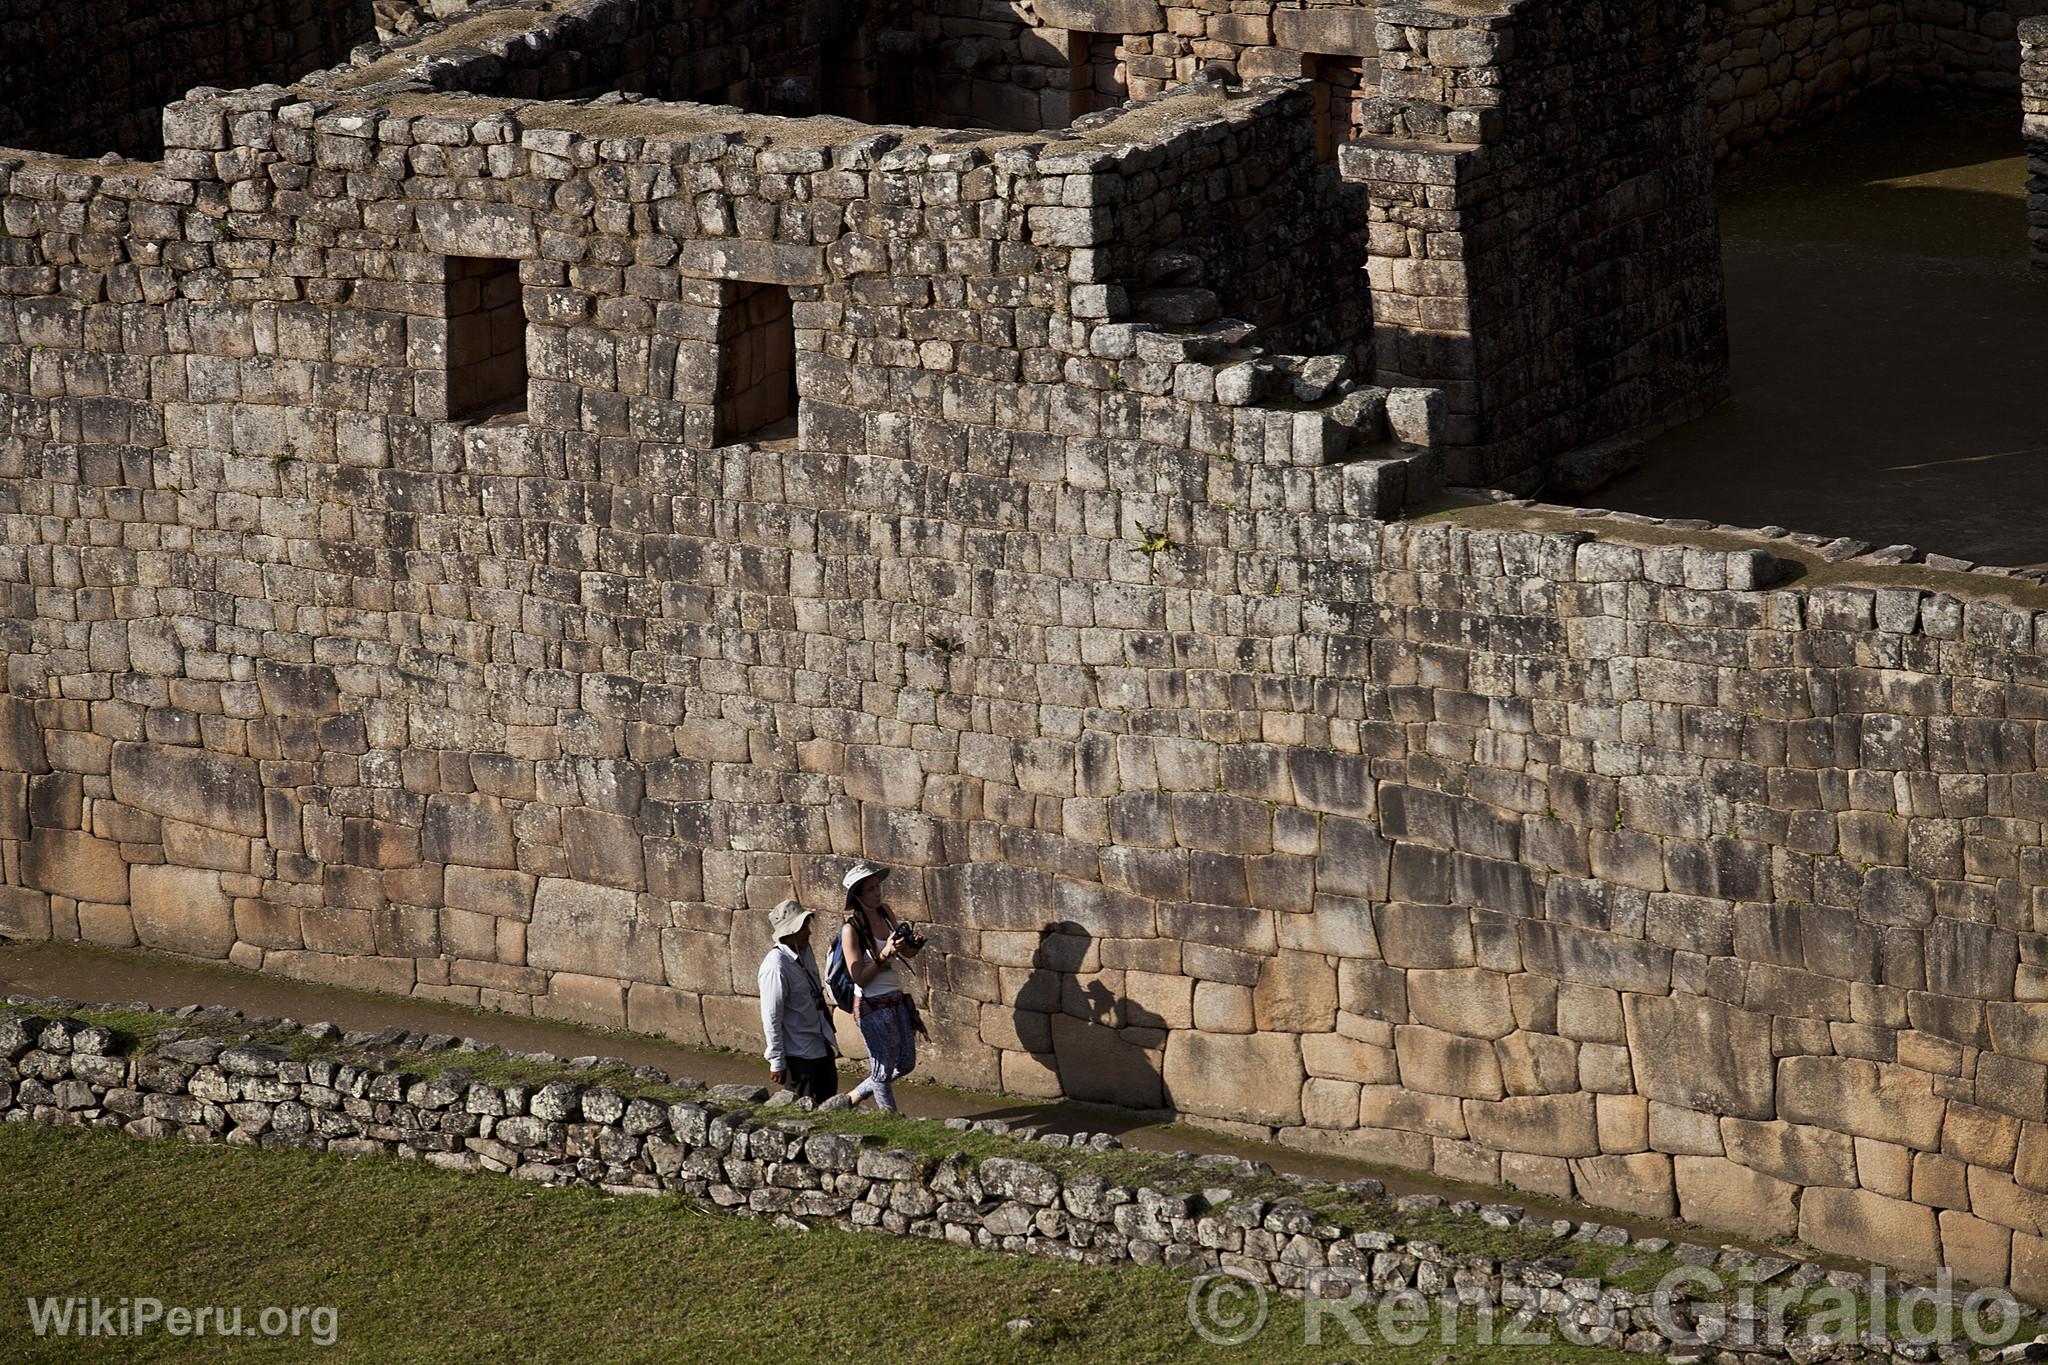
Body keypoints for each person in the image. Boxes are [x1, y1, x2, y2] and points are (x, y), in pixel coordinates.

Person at [839, 862, 927, 1113]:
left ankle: (854, 1096)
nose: (877, 893)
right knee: (882, 1068)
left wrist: (912, 945)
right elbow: (858, 977)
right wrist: (884, 953)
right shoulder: (851, 930)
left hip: (895, 998)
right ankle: (889, 1116)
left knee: (906, 1062)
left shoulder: (886, 912)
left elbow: (905, 953)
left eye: (878, 887)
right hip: (871, 1004)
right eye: (870, 889)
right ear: (857, 896)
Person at [757, 898, 838, 1105]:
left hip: (820, 1045)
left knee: (830, 1106)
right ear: (790, 932)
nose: (809, 932)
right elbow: (772, 1017)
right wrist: (777, 1061)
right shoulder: (775, 967)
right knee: (803, 1110)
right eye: (803, 928)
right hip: (798, 1055)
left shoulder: (804, 952)